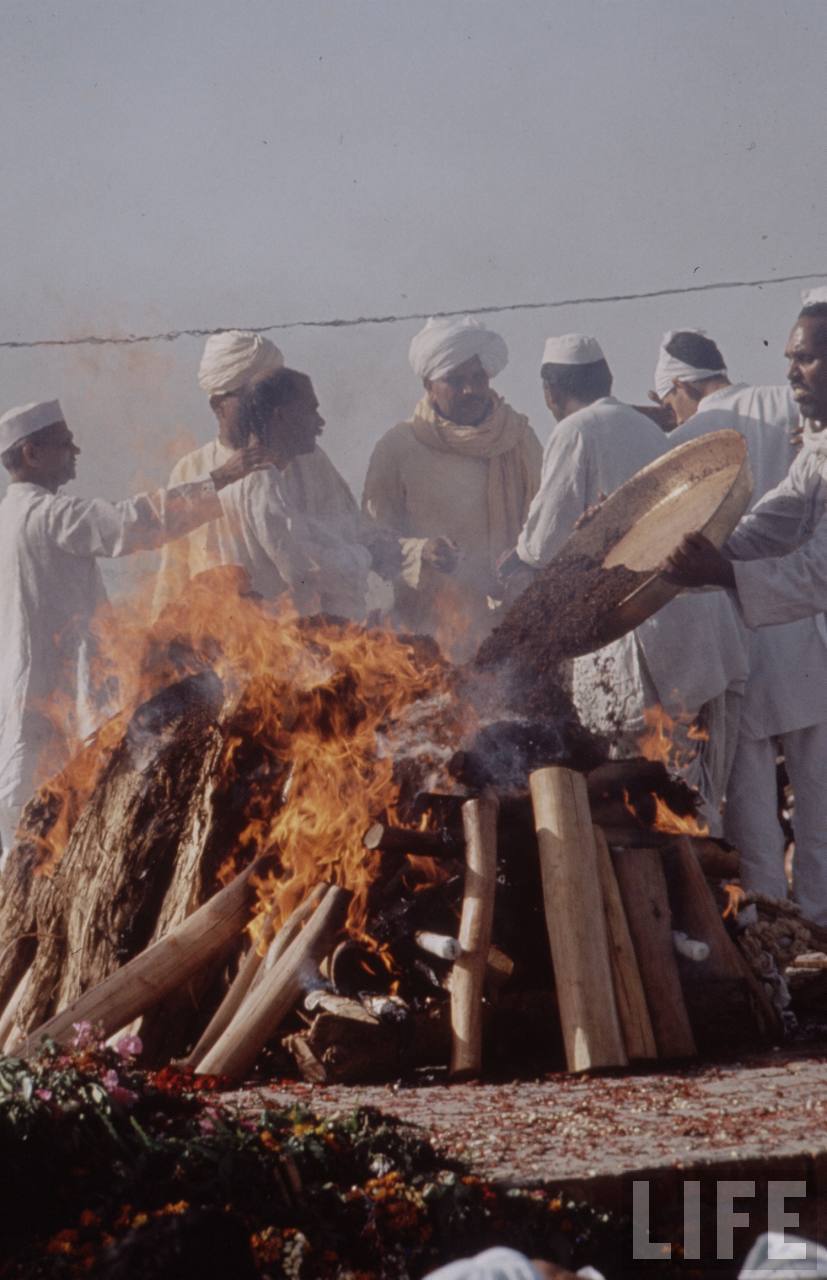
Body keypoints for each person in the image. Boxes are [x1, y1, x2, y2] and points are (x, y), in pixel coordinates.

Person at [0, 399, 275, 855]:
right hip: (51, 701)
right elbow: (131, 524)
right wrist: (220, 478)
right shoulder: (46, 516)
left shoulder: (11, 519)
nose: (77, 451)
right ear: (31, 453)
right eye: (65, 444)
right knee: (37, 827)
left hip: (31, 697)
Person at [500, 334, 749, 834]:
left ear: (550, 390)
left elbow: (546, 542)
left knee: (657, 793)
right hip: (701, 631)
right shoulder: (644, 425)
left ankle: (692, 902)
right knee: (692, 785)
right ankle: (717, 901)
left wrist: (514, 560)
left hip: (648, 641)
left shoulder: (576, 429)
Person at [665, 299, 827, 919]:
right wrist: (687, 551)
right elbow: (768, 526)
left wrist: (721, 570)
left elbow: (816, 570)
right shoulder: (815, 452)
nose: (792, 373)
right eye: (790, 358)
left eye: (807, 357)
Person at [153, 330, 391, 620]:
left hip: (301, 642)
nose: (262, 401)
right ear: (218, 406)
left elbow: (350, 534)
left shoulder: (312, 462)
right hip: (225, 644)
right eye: (253, 393)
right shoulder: (192, 472)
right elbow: (173, 576)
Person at [362, 314, 542, 659]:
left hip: (512, 622)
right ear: (429, 385)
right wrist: (421, 551)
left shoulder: (518, 438)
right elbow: (371, 539)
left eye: (478, 377)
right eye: (455, 380)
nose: (470, 389)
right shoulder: (398, 447)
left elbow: (545, 519)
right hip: (430, 631)